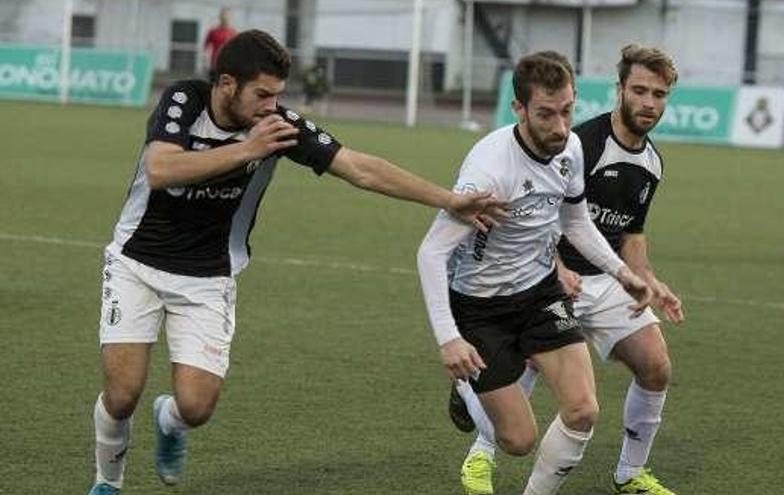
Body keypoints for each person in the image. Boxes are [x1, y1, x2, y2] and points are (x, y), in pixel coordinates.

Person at [87, 30, 505, 495]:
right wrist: (250, 148)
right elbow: (160, 170)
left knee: (196, 407)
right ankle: (108, 481)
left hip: (208, 276)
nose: (271, 106)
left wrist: (449, 200)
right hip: (136, 263)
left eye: (278, 96)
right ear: (227, 83)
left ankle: (169, 422)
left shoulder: (278, 125)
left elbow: (359, 167)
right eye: (262, 95)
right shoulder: (185, 99)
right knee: (122, 393)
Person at [451, 44, 685, 495]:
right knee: (526, 368)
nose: (649, 103)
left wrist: (647, 280)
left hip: (606, 277)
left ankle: (630, 473)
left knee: (656, 365)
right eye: (639, 90)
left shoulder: (651, 163)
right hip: (549, 278)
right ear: (619, 90)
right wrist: (556, 268)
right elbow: (543, 217)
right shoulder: (580, 143)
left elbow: (631, 234)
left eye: (659, 94)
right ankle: (480, 455)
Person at [203, 8, 237, 76]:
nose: (225, 18)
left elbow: (236, 50)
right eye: (223, 15)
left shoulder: (233, 33)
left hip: (228, 64)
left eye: (227, 16)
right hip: (215, 63)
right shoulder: (213, 31)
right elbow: (205, 47)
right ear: (219, 17)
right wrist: (205, 61)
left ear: (230, 18)